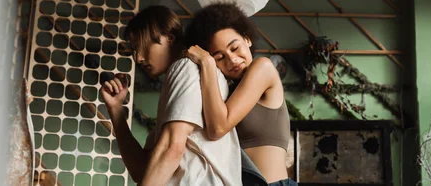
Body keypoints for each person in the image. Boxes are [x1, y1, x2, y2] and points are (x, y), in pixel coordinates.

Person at [101, 5, 242, 186]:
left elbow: (171, 149)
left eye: (142, 46)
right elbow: (143, 171)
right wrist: (116, 109)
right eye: (135, 50)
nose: (138, 58)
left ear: (168, 37)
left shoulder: (187, 67)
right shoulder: (177, 78)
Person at [186, 3, 297, 186]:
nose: (232, 59)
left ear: (247, 40)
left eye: (234, 48)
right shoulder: (225, 91)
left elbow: (218, 128)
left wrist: (207, 62)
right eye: (219, 57)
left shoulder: (263, 67)